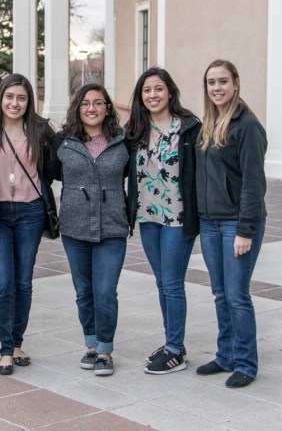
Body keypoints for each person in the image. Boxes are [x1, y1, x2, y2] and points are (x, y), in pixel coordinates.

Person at [0, 73, 56, 376]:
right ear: (0, 98)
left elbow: (51, 169)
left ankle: (17, 342)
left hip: (31, 213)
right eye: (9, 97)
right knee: (3, 283)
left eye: (21, 98)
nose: (15, 103)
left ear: (28, 101)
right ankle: (5, 349)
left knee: (23, 282)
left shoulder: (41, 130)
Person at [46, 83, 130, 377]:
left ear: (108, 107)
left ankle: (105, 350)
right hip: (75, 228)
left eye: (98, 102)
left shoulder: (122, 141)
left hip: (112, 228)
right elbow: (50, 173)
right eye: (85, 103)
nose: (92, 108)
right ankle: (90, 345)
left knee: (105, 291)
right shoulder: (63, 141)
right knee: (84, 292)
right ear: (77, 108)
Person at [194, 59, 267, 388]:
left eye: (223, 81)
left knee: (238, 295)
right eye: (211, 82)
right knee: (220, 293)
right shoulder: (209, 124)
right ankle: (225, 356)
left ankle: (246, 363)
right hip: (210, 224)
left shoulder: (247, 125)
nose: (217, 88)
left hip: (236, 224)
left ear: (236, 83)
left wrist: (245, 230)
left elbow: (254, 183)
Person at [125, 67, 201, 375]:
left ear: (170, 92)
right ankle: (173, 343)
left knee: (172, 283)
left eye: (158, 89)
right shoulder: (135, 132)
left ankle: (175, 351)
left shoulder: (189, 127)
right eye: (146, 90)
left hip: (178, 217)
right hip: (148, 216)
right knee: (161, 282)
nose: (153, 95)